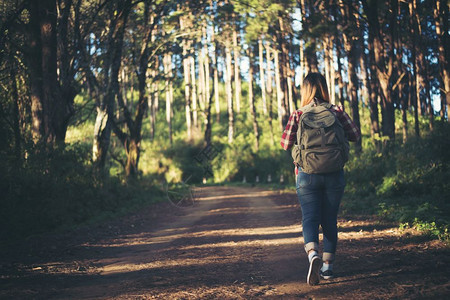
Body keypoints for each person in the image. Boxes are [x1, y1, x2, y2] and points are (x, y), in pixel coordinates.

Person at [280, 73, 361, 285]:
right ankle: (327, 268)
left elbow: (285, 143)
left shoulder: (298, 114)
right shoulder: (336, 111)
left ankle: (312, 254)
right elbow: (355, 135)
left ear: (305, 90)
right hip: (334, 174)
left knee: (310, 218)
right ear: (324, 89)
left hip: (306, 174)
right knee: (329, 220)